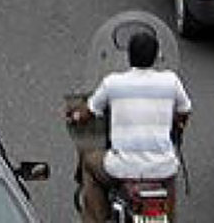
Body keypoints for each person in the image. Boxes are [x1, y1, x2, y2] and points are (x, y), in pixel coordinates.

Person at [67, 31, 191, 223]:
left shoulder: (113, 83)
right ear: (156, 56)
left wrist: (75, 116)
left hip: (121, 168)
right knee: (167, 188)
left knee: (89, 162)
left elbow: (87, 113)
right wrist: (177, 125)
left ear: (129, 56)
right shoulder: (171, 81)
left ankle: (96, 218)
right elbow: (184, 110)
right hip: (162, 168)